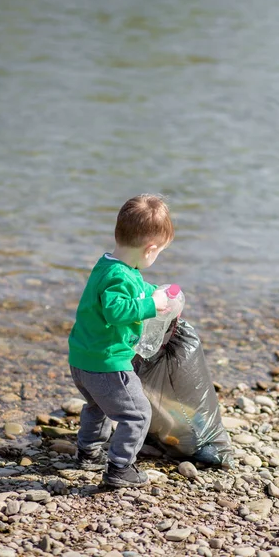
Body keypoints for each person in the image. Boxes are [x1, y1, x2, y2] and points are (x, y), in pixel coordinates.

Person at [68, 194, 175, 488]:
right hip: (108, 363)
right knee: (137, 414)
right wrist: (151, 306)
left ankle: (88, 452)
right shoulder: (120, 277)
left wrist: (157, 294)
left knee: (97, 405)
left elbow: (136, 287)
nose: (157, 257)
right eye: (159, 252)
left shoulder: (110, 265)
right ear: (150, 249)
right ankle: (119, 468)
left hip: (82, 359)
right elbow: (117, 311)